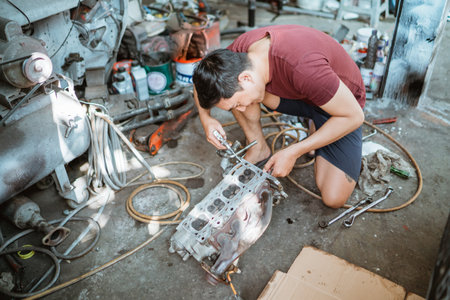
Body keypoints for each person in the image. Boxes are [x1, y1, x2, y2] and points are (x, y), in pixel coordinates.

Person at [192, 24, 365, 208]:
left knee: (333, 198)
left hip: (341, 106)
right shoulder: (237, 56)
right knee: (239, 96)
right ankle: (259, 149)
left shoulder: (304, 68)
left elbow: (355, 116)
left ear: (246, 78)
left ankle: (319, 126)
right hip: (304, 93)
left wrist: (295, 151)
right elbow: (204, 78)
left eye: (237, 105)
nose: (240, 111)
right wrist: (206, 118)